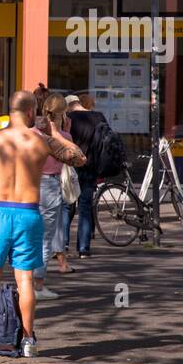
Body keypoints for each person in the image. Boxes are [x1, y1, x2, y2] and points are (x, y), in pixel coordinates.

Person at [0, 90, 86, 358]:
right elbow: (80, 159)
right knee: (25, 281)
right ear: (31, 111)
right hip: (28, 213)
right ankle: (28, 340)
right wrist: (56, 133)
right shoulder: (42, 141)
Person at [33, 94, 72, 298]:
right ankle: (38, 285)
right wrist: (64, 131)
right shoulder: (63, 137)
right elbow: (77, 157)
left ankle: (24, 280)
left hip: (29, 184)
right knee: (46, 237)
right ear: (62, 114)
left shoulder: (32, 133)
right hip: (49, 184)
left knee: (27, 234)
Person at [66, 92, 110, 258]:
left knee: (67, 206)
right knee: (85, 207)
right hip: (91, 167)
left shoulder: (69, 118)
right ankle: (83, 248)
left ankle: (63, 246)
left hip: (71, 167)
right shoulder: (98, 117)